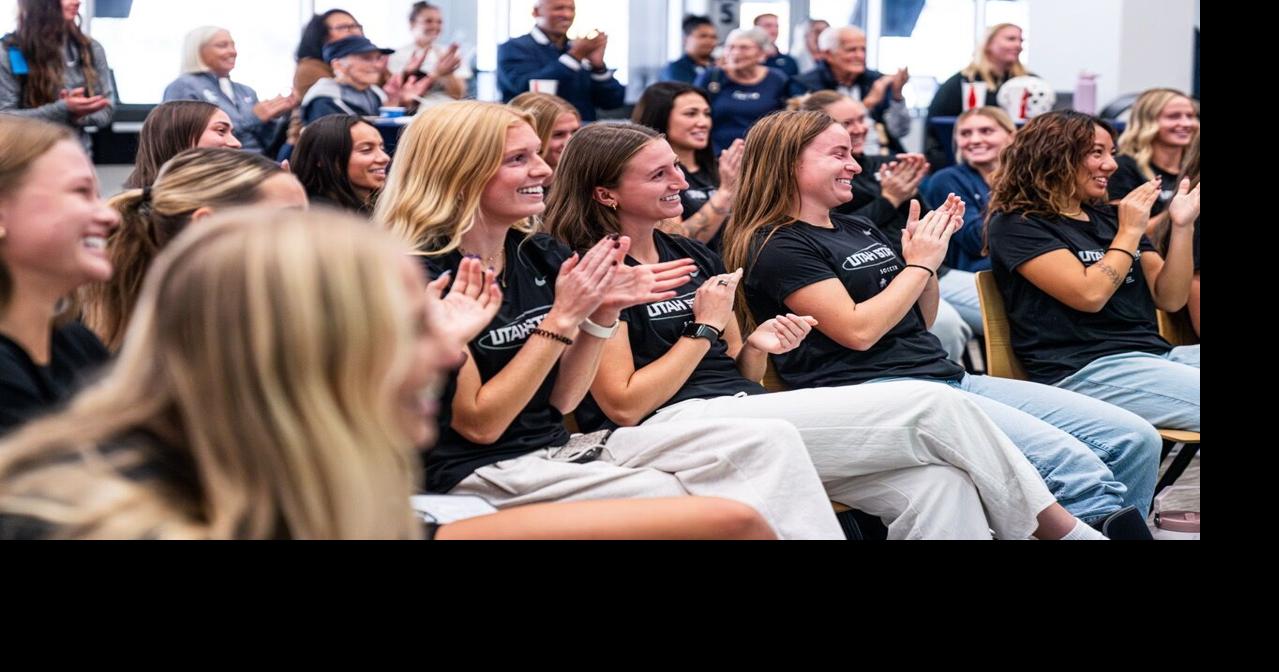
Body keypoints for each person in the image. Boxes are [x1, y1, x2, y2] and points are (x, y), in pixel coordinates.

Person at [987, 110, 1200, 432]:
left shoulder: (1111, 217)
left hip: (1152, 357)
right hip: (1083, 370)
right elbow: (1090, 295)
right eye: (1096, 152)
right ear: (1054, 156)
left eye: (1111, 153)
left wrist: (1183, 226)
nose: (1111, 165)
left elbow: (1169, 297)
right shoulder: (1018, 225)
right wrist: (1129, 232)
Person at [162, 26, 296, 155]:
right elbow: (184, 139)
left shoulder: (246, 91)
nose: (233, 52)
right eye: (222, 45)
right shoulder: (183, 86)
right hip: (219, 167)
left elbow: (264, 143)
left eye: (233, 45)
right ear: (197, 50)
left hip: (257, 164)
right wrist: (254, 118)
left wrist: (279, 116)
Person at [0, 0, 115, 149]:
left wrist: (77, 114)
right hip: (27, 161)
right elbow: (5, 119)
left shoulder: (90, 49)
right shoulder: (10, 52)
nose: (77, 2)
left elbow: (106, 111)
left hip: (77, 158)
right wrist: (63, 109)